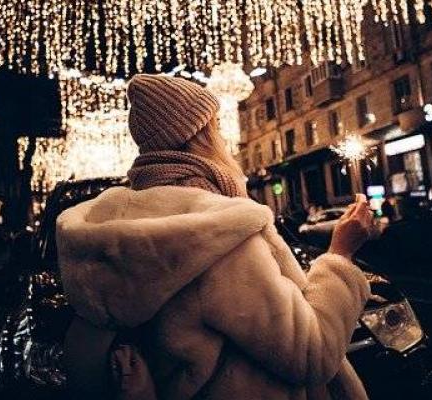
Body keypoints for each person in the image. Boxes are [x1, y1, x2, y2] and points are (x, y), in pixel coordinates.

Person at [57, 74, 373, 399]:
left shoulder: (114, 228)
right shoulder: (219, 234)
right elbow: (310, 355)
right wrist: (340, 256)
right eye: (217, 127)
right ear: (200, 136)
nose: (225, 139)